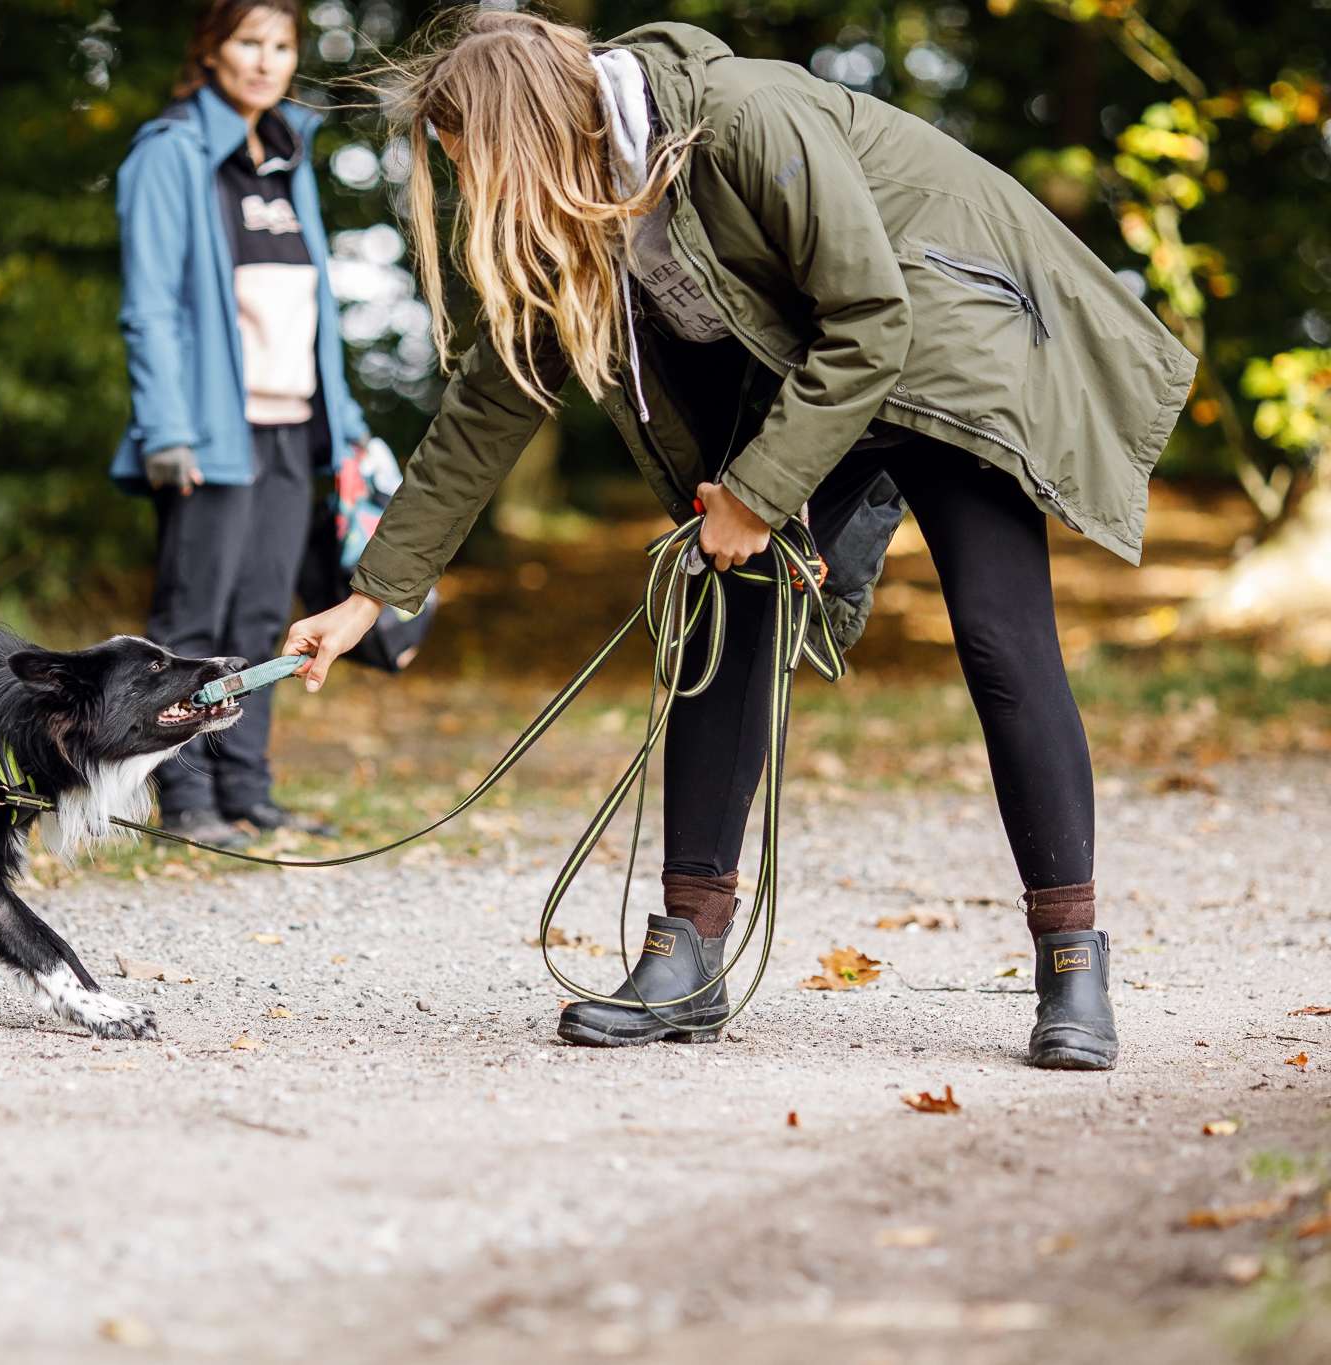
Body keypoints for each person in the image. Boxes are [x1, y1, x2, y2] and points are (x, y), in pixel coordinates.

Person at [283, 10, 1196, 1069]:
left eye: (474, 165)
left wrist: (757, 498)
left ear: (526, 133)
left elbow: (870, 317)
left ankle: (1070, 965)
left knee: (999, 642)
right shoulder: (580, 198)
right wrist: (371, 595)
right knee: (721, 618)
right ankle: (686, 956)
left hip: (946, 342)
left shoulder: (745, 119)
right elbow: (497, 398)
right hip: (812, 373)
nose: (476, 195)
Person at [110, 0, 374, 849]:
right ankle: (182, 800)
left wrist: (350, 425)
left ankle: (248, 792)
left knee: (264, 620)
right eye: (247, 42)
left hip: (293, 426)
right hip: (209, 432)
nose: (265, 60)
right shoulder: (170, 153)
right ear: (212, 50)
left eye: (281, 44)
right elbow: (149, 305)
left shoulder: (291, 151)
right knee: (190, 626)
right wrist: (165, 429)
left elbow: (312, 305)